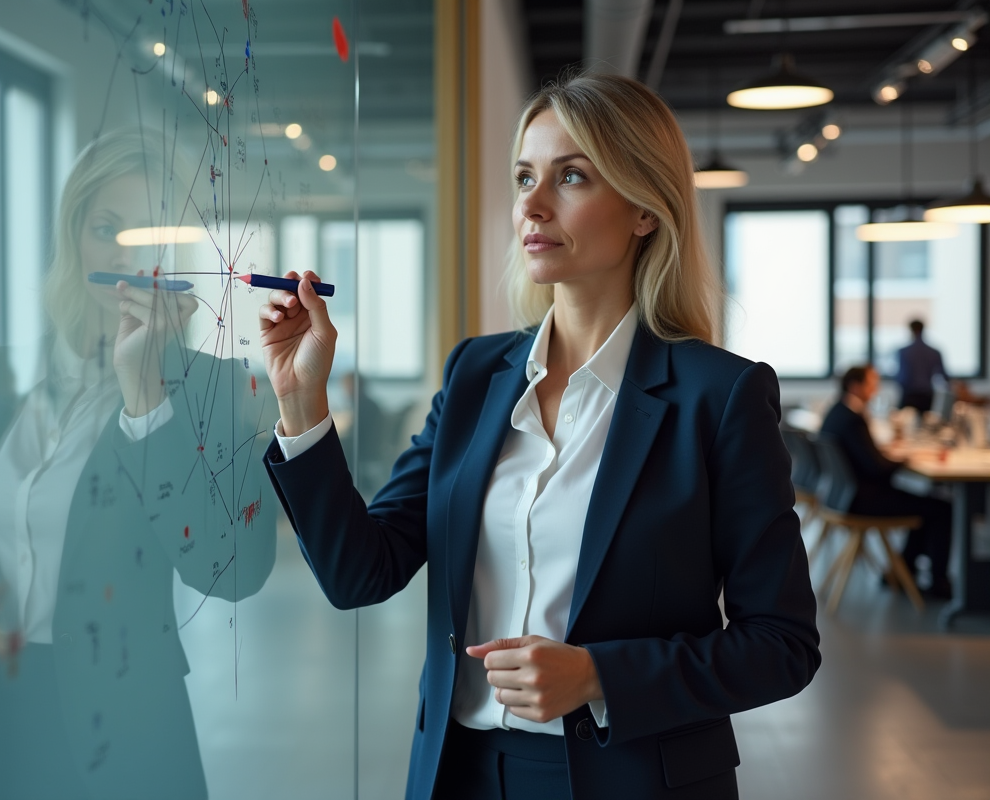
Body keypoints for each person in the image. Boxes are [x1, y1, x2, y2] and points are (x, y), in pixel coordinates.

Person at [258, 74, 820, 799]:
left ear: (645, 209)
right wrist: (303, 400)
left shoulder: (720, 395)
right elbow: (360, 571)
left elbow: (782, 644)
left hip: (634, 780)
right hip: (460, 774)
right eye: (525, 176)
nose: (532, 202)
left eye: (572, 176)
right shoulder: (474, 376)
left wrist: (598, 676)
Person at [0, 131, 276, 800]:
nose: (121, 253)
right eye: (105, 227)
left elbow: (232, 572)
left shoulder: (212, 390)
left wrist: (145, 396)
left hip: (133, 724)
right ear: (71, 238)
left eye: (144, 234)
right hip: (4, 715)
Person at [820, 365, 952, 599]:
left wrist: (889, 456)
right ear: (855, 386)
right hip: (861, 500)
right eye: (872, 383)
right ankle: (937, 584)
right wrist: (903, 459)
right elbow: (876, 468)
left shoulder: (838, 411)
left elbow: (867, 459)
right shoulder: (852, 418)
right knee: (940, 508)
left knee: (925, 504)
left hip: (841, 496)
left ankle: (903, 573)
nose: (876, 389)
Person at [897, 319, 947, 414]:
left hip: (909, 395)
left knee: (905, 422)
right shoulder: (935, 352)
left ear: (911, 330)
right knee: (927, 425)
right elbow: (944, 376)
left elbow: (901, 377)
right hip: (927, 396)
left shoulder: (903, 352)